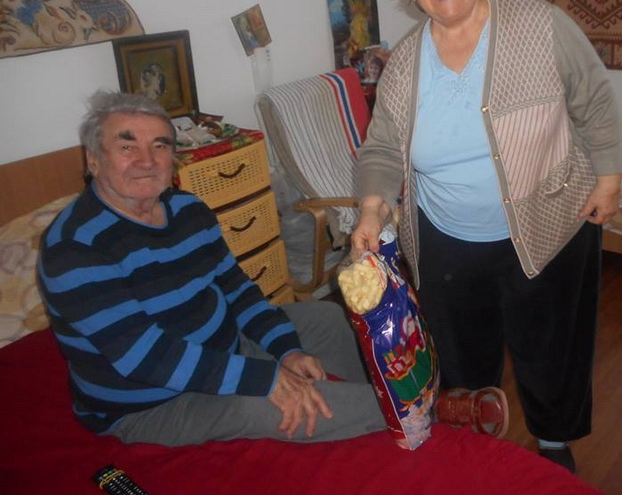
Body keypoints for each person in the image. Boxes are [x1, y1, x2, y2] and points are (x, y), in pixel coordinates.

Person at [37, 90, 508, 447]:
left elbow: (237, 292)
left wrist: (285, 350)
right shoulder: (75, 248)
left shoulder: (187, 210)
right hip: (149, 400)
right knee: (269, 406)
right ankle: (425, 412)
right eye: (127, 146)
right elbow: (147, 358)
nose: (147, 160)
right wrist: (267, 379)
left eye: (160, 146)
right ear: (93, 159)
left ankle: (384, 390)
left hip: (219, 344)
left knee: (326, 319)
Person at [351, 0, 622, 472]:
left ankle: (554, 441)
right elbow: (381, 149)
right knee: (460, 356)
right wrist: (371, 210)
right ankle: (474, 439)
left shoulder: (539, 24)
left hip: (549, 222)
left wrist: (610, 176)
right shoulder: (403, 63)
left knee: (550, 346)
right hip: (446, 239)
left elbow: (593, 97)